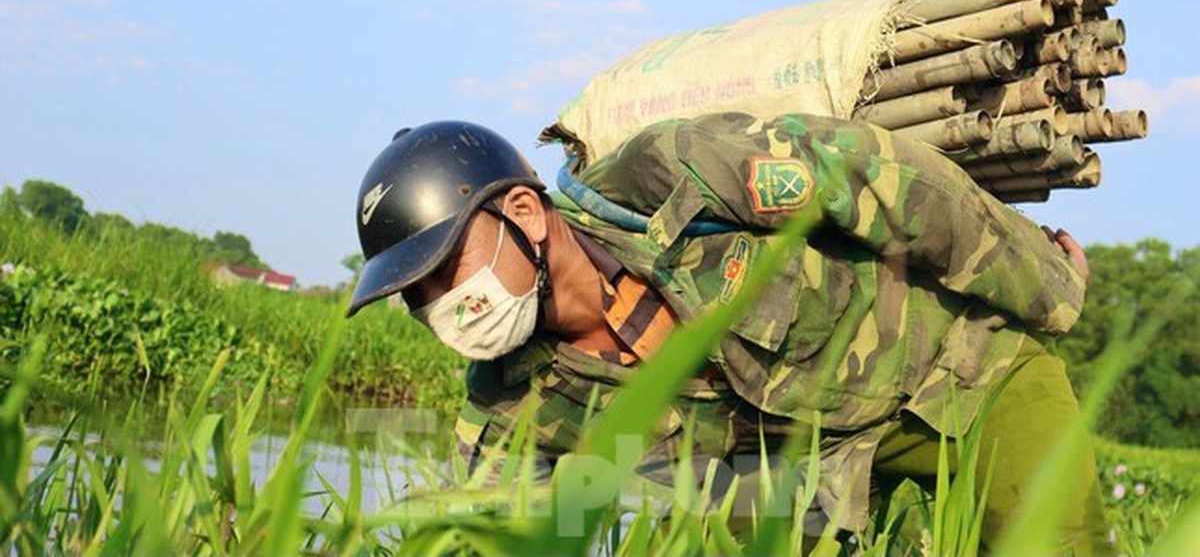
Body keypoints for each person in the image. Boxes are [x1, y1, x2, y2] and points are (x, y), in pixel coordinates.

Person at [347, 113, 1111, 553]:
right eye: (416, 296)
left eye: (447, 270)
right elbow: (472, 528)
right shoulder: (507, 405)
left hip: (959, 371)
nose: (443, 305)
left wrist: (1051, 290)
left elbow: (888, 181)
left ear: (520, 213)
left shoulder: (669, 178)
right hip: (823, 475)